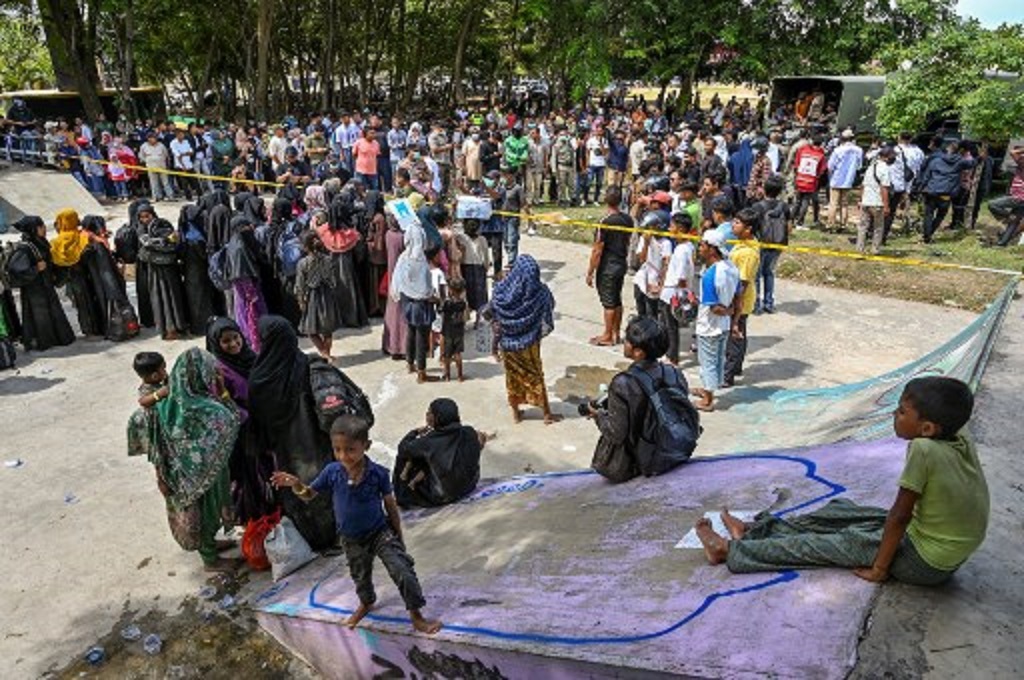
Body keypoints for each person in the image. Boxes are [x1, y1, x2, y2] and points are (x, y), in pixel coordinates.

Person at [695, 377, 989, 588]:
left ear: (926, 428)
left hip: (925, 563)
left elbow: (899, 516)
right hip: (938, 549)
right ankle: (753, 531)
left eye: (901, 412)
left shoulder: (923, 449)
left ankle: (729, 551)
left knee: (837, 544)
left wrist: (879, 569)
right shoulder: (958, 436)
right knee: (845, 513)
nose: (893, 415)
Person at [271, 415, 443, 634]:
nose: (344, 456)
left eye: (350, 449)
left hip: (380, 533)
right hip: (350, 538)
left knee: (402, 570)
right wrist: (296, 484)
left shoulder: (378, 474)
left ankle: (417, 616)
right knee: (360, 576)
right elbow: (308, 495)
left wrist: (398, 536)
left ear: (366, 446)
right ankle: (366, 602)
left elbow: (390, 505)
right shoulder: (332, 472)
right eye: (338, 449)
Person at [129, 347, 242, 573]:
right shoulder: (161, 408)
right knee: (202, 512)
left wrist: (221, 391)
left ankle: (210, 544)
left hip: (203, 469)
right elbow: (156, 448)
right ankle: (210, 559)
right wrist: (160, 476)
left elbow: (229, 416)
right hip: (184, 474)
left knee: (213, 508)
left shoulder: (192, 397)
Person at [248, 316, 338, 549]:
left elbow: (258, 421)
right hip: (315, 440)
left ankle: (310, 539)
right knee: (321, 486)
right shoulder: (306, 364)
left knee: (295, 488)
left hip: (284, 448)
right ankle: (334, 533)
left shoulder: (260, 377)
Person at [589, 317, 688, 483]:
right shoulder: (673, 373)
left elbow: (616, 433)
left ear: (638, 352)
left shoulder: (623, 383)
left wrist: (598, 415)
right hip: (670, 451)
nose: (624, 342)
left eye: (627, 340)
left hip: (634, 464)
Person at [205, 317, 276, 523]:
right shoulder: (218, 370)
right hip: (241, 431)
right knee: (248, 474)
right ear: (216, 344)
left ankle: (271, 506)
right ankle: (252, 514)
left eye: (236, 338)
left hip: (261, 425)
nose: (234, 344)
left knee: (267, 467)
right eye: (226, 341)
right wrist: (243, 415)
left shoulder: (252, 358)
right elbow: (219, 403)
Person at [489, 255, 561, 425]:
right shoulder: (541, 292)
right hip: (530, 344)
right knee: (535, 375)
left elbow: (492, 311)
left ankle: (516, 413)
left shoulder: (501, 291)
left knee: (512, 377)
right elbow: (551, 306)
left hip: (508, 345)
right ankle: (546, 414)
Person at [394, 398, 490, 508]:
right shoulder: (469, 431)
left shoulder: (428, 442)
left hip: (442, 496)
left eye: (430, 412)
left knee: (404, 458)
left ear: (438, 417)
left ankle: (403, 496)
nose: (427, 415)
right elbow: (480, 439)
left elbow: (402, 448)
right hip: (470, 485)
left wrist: (414, 432)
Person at [4, 216, 75, 351]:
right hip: (34, 291)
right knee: (39, 317)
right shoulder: (24, 248)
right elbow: (16, 271)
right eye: (40, 227)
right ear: (32, 229)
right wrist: (36, 269)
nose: (44, 229)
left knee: (52, 313)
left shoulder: (41, 242)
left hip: (46, 286)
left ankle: (56, 339)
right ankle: (43, 342)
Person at [691, 230, 739, 412]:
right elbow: (738, 296)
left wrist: (726, 311)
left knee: (707, 362)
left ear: (712, 250)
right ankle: (708, 389)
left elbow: (714, 308)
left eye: (703, 245)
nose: (700, 248)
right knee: (717, 359)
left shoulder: (710, 275)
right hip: (723, 327)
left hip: (709, 326)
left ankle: (708, 400)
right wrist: (733, 318)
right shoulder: (731, 268)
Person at [586, 186, 633, 345]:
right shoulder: (627, 219)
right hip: (621, 263)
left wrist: (590, 271)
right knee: (616, 299)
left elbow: (597, 250)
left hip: (608, 266)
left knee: (608, 302)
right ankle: (615, 333)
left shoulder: (605, 222)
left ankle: (607, 335)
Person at [137, 204, 189, 340]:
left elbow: (174, 240)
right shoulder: (141, 230)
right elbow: (147, 242)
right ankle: (167, 329)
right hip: (155, 270)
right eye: (142, 217)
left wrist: (165, 242)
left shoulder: (162, 224)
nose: (145, 219)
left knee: (173, 295)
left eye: (147, 216)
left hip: (168, 267)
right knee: (160, 297)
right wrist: (165, 241)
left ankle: (177, 326)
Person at [49, 208, 103, 337]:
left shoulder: (56, 243)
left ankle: (88, 329)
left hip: (72, 279)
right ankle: (98, 326)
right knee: (93, 300)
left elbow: (55, 261)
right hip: (89, 277)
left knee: (81, 305)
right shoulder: (83, 237)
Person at [723, 208, 761, 387]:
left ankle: (727, 375)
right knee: (739, 332)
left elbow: (743, 282)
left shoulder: (748, 253)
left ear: (748, 229)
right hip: (737, 297)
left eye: (737, 223)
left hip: (740, 299)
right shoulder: (743, 244)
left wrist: (735, 306)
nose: (733, 224)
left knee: (734, 334)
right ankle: (736, 367)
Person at [918, 139, 977, 244]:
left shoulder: (935, 160)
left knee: (928, 214)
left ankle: (926, 235)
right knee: (941, 214)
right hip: (946, 192)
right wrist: (980, 156)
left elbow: (927, 176)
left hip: (931, 190)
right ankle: (929, 233)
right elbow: (973, 163)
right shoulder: (960, 162)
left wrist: (921, 188)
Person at [659, 212, 697, 365]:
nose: (669, 228)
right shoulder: (686, 246)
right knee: (669, 325)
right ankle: (670, 354)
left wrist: (680, 297)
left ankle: (672, 357)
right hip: (671, 291)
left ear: (680, 229)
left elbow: (681, 277)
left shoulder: (682, 250)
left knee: (670, 326)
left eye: (672, 226)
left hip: (673, 294)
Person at [295, 231, 340, 360]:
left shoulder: (303, 263)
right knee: (327, 330)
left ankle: (325, 354)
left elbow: (300, 285)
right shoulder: (328, 259)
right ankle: (327, 354)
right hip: (327, 296)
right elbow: (333, 281)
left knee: (311, 330)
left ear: (305, 246)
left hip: (312, 298)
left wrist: (301, 301)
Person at [752, 176, 790, 314]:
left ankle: (756, 304)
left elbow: (753, 227)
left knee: (756, 275)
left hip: (761, 243)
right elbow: (789, 227)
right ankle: (769, 303)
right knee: (769, 272)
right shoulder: (784, 207)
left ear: (764, 189)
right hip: (778, 244)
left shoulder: (757, 206)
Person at [857, 146, 893, 255]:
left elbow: (863, 185)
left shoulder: (870, 167)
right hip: (877, 202)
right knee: (878, 227)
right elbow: (884, 188)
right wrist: (886, 205)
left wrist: (860, 199)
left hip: (866, 201)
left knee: (863, 227)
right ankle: (875, 249)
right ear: (887, 157)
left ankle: (860, 248)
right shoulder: (885, 169)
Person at [826, 129, 863, 231]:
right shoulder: (859, 150)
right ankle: (843, 224)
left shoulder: (838, 150)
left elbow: (830, 166)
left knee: (833, 203)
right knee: (844, 203)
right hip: (848, 180)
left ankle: (830, 224)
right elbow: (859, 167)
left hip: (836, 178)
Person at [989, 145, 1024, 247]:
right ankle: (1002, 244)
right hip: (1021, 198)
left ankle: (1008, 217)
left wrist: (1020, 151)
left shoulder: (1022, 163)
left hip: (1019, 197)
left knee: (992, 204)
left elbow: (1012, 152)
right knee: (1014, 223)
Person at [793, 134, 826, 227]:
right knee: (805, 202)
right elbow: (821, 171)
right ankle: (799, 222)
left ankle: (791, 220)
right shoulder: (821, 155)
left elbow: (796, 165)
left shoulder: (802, 150)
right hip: (811, 182)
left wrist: (797, 176)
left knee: (797, 201)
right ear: (821, 144)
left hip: (799, 179)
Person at [440, 277, 468, 382]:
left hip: (447, 331)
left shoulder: (448, 303)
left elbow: (441, 310)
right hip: (458, 331)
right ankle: (460, 376)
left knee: (447, 356)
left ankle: (447, 376)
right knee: (458, 354)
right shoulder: (462, 303)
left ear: (450, 289)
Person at [500, 165, 526, 265]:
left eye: (506, 175)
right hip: (502, 218)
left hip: (513, 218)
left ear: (512, 176)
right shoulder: (502, 188)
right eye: (504, 174)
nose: (505, 177)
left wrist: (530, 218)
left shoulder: (518, 189)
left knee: (512, 241)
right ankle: (511, 257)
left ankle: (512, 262)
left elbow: (523, 203)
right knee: (506, 241)